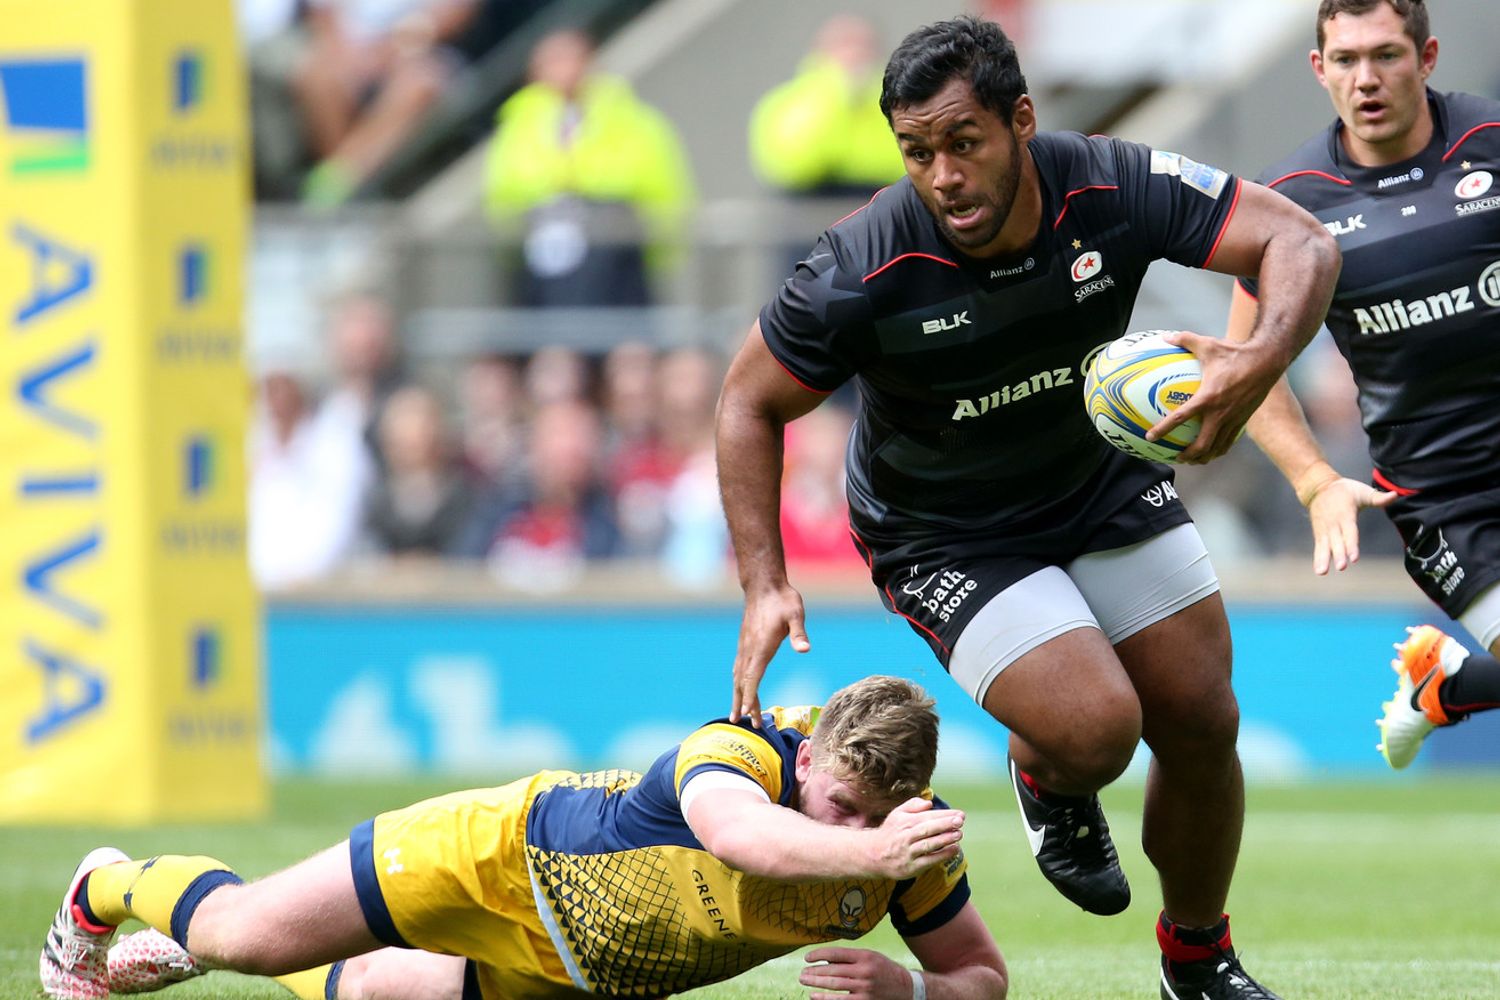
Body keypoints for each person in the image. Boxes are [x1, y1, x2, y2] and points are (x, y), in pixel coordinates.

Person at [715, 16, 1339, 1000]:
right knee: (1096, 726)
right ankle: (1051, 773)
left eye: (964, 143)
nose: (944, 176)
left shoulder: (1111, 184)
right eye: (917, 152)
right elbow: (748, 400)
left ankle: (1197, 958)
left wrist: (1255, 370)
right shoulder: (861, 259)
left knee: (1201, 717)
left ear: (1021, 121)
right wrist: (763, 580)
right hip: (946, 531)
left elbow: (1298, 240)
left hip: (1099, 479)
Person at [39, 676, 1009, 1000]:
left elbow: (985, 977)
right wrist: (872, 855)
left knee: (373, 987)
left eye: (879, 818)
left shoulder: (904, 840)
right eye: (840, 803)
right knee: (246, 936)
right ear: (808, 762)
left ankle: (187, 943)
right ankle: (109, 886)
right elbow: (745, 840)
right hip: (503, 856)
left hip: (595, 973)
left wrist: (914, 986)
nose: (858, 827)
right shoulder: (742, 749)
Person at [1224, 0, 1500, 770]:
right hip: (1444, 500)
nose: (1366, 78)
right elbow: (1248, 361)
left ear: (1429, 56)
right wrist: (1316, 482)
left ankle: (1447, 685)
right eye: (1345, 60)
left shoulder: (1493, 143)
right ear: (1319, 69)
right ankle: (1444, 690)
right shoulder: (1292, 202)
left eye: (1386, 55)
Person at [483, 28, 696, 308]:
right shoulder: (518, 123)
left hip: (619, 255)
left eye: (571, 59)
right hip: (541, 254)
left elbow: (660, 185)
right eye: (552, 61)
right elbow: (505, 188)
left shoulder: (633, 119)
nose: (563, 70)